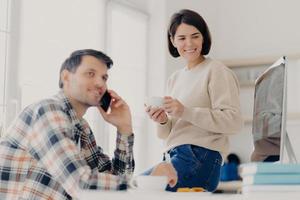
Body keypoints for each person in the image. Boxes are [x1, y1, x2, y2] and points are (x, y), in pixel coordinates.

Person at [0, 49, 177, 200]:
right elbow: (81, 183)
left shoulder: (81, 128)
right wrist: (147, 183)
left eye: (104, 77)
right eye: (90, 74)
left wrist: (124, 129)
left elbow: (115, 182)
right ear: (66, 77)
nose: (100, 83)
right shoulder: (48, 110)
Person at [145, 9, 243, 192]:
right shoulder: (174, 78)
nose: (189, 43)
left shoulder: (216, 71)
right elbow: (167, 134)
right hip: (172, 155)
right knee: (134, 189)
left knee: (139, 190)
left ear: (203, 38)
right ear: (172, 41)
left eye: (195, 36)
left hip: (200, 156)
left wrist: (185, 111)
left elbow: (233, 122)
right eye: (182, 38)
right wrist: (162, 120)